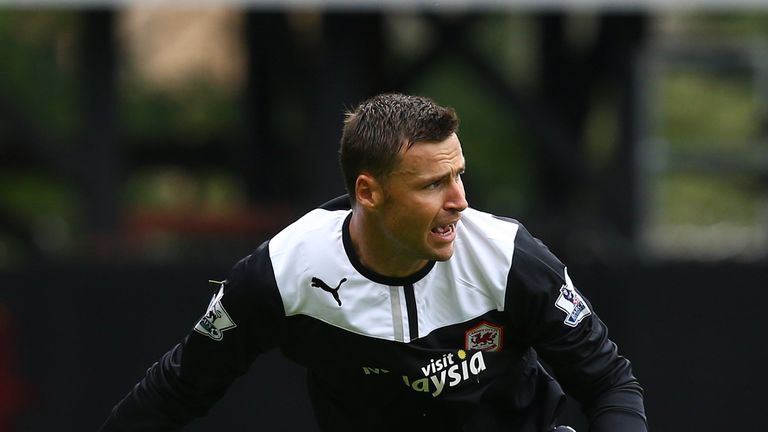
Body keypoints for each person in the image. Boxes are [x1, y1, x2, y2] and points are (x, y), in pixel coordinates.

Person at [99, 93, 647, 432]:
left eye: (459, 175)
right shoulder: (284, 273)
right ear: (369, 191)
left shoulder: (508, 258)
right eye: (433, 183)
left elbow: (610, 384)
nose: (459, 200)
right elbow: (179, 389)